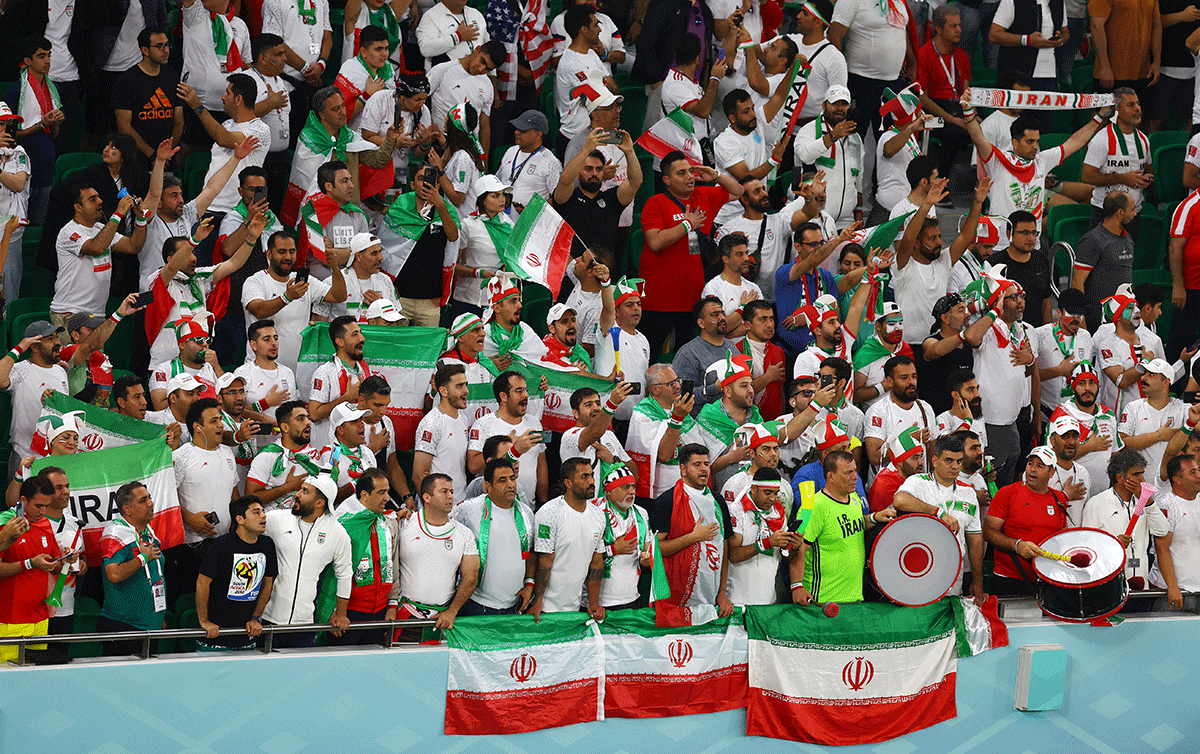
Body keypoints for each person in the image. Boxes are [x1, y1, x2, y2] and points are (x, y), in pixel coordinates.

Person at [960, 91, 1114, 257]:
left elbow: (1075, 142)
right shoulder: (997, 161)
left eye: (1037, 141)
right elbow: (978, 138)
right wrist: (968, 113)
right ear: (1015, 143)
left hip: (1033, 248)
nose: (1035, 146)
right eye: (1030, 141)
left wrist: (1100, 116)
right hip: (1000, 246)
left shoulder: (1042, 161)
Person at [639, 154, 745, 355]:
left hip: (692, 298)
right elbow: (654, 242)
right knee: (650, 354)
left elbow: (738, 191)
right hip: (659, 298)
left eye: (690, 171)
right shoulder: (656, 202)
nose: (689, 176)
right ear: (667, 180)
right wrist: (687, 224)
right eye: (681, 173)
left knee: (684, 354)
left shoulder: (703, 195)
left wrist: (715, 175)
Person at [141, 136, 260, 298]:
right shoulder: (149, 220)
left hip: (182, 292)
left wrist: (236, 158)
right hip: (153, 294)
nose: (181, 200)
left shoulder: (187, 215)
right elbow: (154, 194)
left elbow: (213, 188)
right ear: (160, 204)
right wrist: (160, 162)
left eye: (181, 195)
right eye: (173, 196)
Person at [282, 87, 398, 228]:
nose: (342, 112)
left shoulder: (350, 138)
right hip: (321, 217)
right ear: (322, 115)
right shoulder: (309, 140)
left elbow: (378, 161)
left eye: (343, 106)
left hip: (351, 214)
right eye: (335, 109)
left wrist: (390, 140)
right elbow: (305, 183)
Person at [790, 450, 896, 604]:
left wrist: (874, 517)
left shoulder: (854, 498)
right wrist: (796, 586)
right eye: (848, 473)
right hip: (824, 601)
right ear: (830, 476)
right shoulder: (813, 507)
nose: (855, 477)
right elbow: (798, 548)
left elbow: (855, 524)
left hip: (854, 598)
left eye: (855, 471)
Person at [965, 271, 1038, 486]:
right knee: (991, 484)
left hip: (1011, 423)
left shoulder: (1019, 330)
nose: (1020, 302)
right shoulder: (987, 329)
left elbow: (1026, 372)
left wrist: (1030, 360)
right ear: (998, 300)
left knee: (1008, 483)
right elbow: (970, 337)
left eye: (1021, 296)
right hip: (989, 423)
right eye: (1013, 297)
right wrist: (994, 311)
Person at [263, 475, 353, 647]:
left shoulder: (337, 533)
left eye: (305, 491)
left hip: (304, 623)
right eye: (300, 489)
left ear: (320, 503)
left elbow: (344, 574)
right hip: (268, 618)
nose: (297, 494)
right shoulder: (275, 519)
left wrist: (341, 613)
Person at [895, 435, 986, 601]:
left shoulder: (968, 493)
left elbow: (975, 540)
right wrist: (938, 513)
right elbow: (900, 500)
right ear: (935, 461)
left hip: (953, 580)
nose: (955, 466)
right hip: (918, 576)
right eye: (949, 460)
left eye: (959, 461)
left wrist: (978, 580)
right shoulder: (918, 482)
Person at [243, 231, 348, 372]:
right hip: (261, 369)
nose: (287, 257)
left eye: (292, 252)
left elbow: (338, 296)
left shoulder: (304, 280)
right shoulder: (255, 281)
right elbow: (259, 310)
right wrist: (287, 297)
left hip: (299, 371)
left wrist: (334, 268)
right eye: (281, 252)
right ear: (269, 254)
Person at [651, 444, 736, 619]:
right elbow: (655, 550)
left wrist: (722, 593)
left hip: (711, 595)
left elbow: (725, 546)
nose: (704, 469)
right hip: (676, 597)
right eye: (697, 465)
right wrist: (693, 537)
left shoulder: (718, 500)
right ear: (683, 469)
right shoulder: (666, 502)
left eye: (706, 464)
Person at [50, 186, 148, 335]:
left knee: (97, 359)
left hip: (96, 315)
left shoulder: (100, 228)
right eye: (92, 199)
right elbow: (96, 247)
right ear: (78, 207)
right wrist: (118, 213)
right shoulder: (69, 232)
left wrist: (141, 219)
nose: (100, 201)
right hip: (70, 313)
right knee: (73, 358)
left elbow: (133, 246)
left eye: (98, 197)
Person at [174, 396, 240, 605]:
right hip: (190, 548)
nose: (221, 424)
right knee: (190, 605)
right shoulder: (180, 457)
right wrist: (190, 519)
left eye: (220, 419)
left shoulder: (228, 453)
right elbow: (165, 498)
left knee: (218, 604)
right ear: (197, 427)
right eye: (213, 421)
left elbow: (234, 494)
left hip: (223, 545)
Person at [393, 473, 479, 630]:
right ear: (427, 497)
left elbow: (471, 577)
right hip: (405, 613)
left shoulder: (464, 533)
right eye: (444, 491)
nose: (450, 496)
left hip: (442, 618)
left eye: (452, 492)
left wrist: (452, 612)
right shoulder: (404, 524)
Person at [177, 74, 272, 217]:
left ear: (238, 99)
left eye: (227, 92)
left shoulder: (260, 130)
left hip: (235, 210)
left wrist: (197, 106)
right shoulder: (227, 125)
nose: (222, 97)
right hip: (209, 205)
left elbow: (224, 139)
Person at [378, 164, 460, 326]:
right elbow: (385, 249)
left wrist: (440, 205)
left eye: (430, 181)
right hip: (400, 297)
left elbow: (453, 236)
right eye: (421, 179)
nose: (425, 184)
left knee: (426, 350)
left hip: (430, 300)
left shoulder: (446, 210)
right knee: (398, 348)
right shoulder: (400, 206)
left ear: (438, 186)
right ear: (412, 184)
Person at [453, 458, 536, 615]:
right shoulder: (467, 511)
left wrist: (529, 584)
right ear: (488, 486)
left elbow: (530, 552)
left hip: (514, 605)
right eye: (502, 480)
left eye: (512, 478)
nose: (510, 485)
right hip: (476, 604)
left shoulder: (526, 513)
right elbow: (441, 523)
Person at [325, 468, 399, 643]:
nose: (387, 498)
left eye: (388, 492)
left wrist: (392, 605)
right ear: (364, 495)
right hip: (347, 616)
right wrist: (331, 612)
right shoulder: (342, 525)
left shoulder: (389, 523)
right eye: (381, 492)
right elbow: (328, 573)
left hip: (380, 612)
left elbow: (394, 565)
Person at [0, 477, 69, 662]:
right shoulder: (5, 525)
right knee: (9, 680)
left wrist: (65, 561)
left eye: (47, 505)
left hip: (40, 618)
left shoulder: (45, 524)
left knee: (35, 678)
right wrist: (29, 564)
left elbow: (54, 564)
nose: (44, 511)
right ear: (23, 501)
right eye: (39, 506)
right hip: (10, 620)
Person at [196, 496, 277, 651]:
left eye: (263, 511)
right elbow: (202, 582)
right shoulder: (221, 545)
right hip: (215, 636)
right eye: (256, 512)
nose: (263, 515)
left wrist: (255, 617)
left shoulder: (267, 545)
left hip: (246, 637)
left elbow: (267, 583)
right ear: (240, 519)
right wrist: (204, 620)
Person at [529, 458, 607, 621]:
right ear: (568, 483)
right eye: (584, 477)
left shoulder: (598, 515)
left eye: (592, 475)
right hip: (545, 609)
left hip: (575, 607)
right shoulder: (549, 513)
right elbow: (544, 561)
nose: (592, 481)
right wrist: (538, 602)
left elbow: (597, 562)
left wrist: (593, 602)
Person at [984, 446, 1069, 595]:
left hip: (1047, 579)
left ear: (1052, 473)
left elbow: (1062, 535)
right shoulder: (1007, 493)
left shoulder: (1059, 498)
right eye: (1030, 463)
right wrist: (1017, 545)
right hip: (1010, 578)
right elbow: (989, 532)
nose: (1033, 469)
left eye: (1040, 466)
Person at [96, 483, 166, 659]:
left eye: (149, 497)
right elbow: (114, 574)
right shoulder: (116, 534)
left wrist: (158, 616)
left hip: (150, 624)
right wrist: (143, 558)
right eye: (143, 500)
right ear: (127, 508)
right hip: (124, 626)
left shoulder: (148, 532)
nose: (150, 503)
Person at [827, 0, 912, 141]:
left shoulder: (898, 1)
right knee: (853, 137)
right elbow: (834, 35)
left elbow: (902, 30)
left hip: (892, 83)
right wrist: (840, 73)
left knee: (889, 139)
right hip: (860, 81)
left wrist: (912, 63)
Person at [553, 134, 640, 258]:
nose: (594, 174)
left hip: (605, 273)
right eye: (588, 169)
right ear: (577, 174)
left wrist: (630, 152)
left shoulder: (611, 198)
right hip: (573, 271)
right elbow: (565, 180)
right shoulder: (568, 198)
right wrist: (586, 148)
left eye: (599, 169)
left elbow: (635, 182)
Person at [467, 372, 548, 504]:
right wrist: (510, 448)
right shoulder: (483, 424)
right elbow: (473, 466)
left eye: (526, 390)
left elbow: (541, 464)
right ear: (503, 396)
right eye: (519, 391)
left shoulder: (534, 423)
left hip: (527, 507)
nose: (526, 395)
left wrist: (543, 501)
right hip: (493, 509)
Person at [914, 6, 973, 182]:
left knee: (987, 128)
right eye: (953, 26)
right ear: (938, 28)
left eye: (959, 25)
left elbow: (967, 92)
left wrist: (973, 114)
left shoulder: (961, 56)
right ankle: (940, 182)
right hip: (933, 109)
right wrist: (952, 119)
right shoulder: (924, 54)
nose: (959, 30)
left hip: (959, 106)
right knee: (954, 131)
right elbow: (921, 97)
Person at [2, 320, 69, 471]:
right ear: (34, 346)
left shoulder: (60, 371)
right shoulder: (21, 370)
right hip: (25, 456)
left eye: (57, 337)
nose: (58, 342)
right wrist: (19, 348)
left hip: (56, 458)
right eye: (50, 339)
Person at [1081, 448, 1154, 586]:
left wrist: (1149, 503)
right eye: (1136, 474)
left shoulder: (1145, 503)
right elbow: (1087, 548)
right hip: (1110, 586)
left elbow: (1162, 530)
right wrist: (1113, 543)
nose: (1142, 479)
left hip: (1141, 583)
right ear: (1120, 478)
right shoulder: (1096, 504)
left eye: (1142, 473)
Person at [12, 36, 64, 226]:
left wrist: (54, 123)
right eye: (41, 56)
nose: (48, 61)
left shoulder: (53, 89)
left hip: (45, 168)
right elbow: (10, 135)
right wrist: (41, 125)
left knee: (39, 228)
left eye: (49, 55)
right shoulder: (16, 91)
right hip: (21, 170)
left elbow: (54, 135)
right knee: (18, 228)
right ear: (27, 61)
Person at [792, 85, 862, 226]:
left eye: (844, 104)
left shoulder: (855, 138)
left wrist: (858, 214)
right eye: (835, 104)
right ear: (824, 105)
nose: (839, 108)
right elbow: (804, 155)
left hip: (845, 221)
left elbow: (858, 179)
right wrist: (833, 136)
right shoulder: (809, 130)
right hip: (812, 217)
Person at [1081, 90, 1151, 229]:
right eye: (1130, 105)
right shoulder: (1102, 139)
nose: (1137, 108)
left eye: (1138, 104)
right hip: (1105, 214)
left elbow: (1148, 168)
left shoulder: (1143, 139)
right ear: (1117, 109)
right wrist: (1122, 178)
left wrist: (1147, 178)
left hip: (1134, 213)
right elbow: (1087, 176)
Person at [726, 468, 797, 606]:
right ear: (754, 488)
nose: (772, 498)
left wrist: (794, 546)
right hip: (737, 602)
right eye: (767, 492)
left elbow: (786, 556)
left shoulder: (778, 513)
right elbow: (733, 555)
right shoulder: (736, 510)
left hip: (769, 601)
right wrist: (767, 543)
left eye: (776, 493)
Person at [113, 28, 183, 166]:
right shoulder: (127, 80)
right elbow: (124, 126)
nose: (166, 50)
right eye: (159, 46)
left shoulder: (172, 77)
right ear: (145, 51)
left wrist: (167, 153)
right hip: (137, 160)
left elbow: (179, 121)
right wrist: (152, 154)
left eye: (167, 45)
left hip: (167, 159)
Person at [626, 365, 695, 499]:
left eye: (677, 381)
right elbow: (663, 455)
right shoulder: (642, 414)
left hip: (688, 486)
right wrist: (677, 418)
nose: (677, 386)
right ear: (655, 389)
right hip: (660, 492)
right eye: (671, 383)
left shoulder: (681, 407)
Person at [1073, 192, 1138, 333]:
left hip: (1123, 319)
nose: (1135, 214)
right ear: (1120, 213)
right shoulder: (1093, 241)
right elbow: (1077, 282)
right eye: (1132, 209)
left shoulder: (1127, 238)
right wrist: (1081, 320)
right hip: (1098, 321)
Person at [1048, 361, 1119, 487]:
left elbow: (1115, 454)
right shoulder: (1061, 415)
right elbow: (1051, 457)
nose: (1087, 388)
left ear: (1098, 386)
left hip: (1101, 494)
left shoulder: (1108, 415)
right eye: (1081, 383)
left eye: (1092, 383)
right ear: (1073, 387)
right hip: (1069, 492)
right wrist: (1089, 446)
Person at [1118, 358, 1189, 483]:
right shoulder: (1133, 408)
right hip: (1140, 485)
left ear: (1166, 382)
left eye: (1151, 374)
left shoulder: (1182, 409)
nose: (1143, 378)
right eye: (1144, 373)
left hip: (1173, 488)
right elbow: (1122, 444)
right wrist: (1159, 435)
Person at [307, 316, 373, 448]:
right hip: (329, 450)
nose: (362, 339)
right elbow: (314, 414)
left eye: (360, 333)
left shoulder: (364, 369)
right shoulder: (324, 372)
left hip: (357, 447)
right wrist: (347, 398)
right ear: (340, 342)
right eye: (355, 334)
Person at [594, 461, 652, 610]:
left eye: (633, 486)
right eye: (625, 487)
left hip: (632, 598)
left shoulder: (641, 513)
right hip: (599, 601)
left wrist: (646, 559)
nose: (632, 491)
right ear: (609, 491)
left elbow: (646, 549)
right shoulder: (594, 511)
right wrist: (613, 549)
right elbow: (580, 554)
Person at [297, 161, 370, 278]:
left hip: (354, 274)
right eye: (344, 181)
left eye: (350, 180)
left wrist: (337, 252)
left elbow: (368, 254)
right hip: (322, 277)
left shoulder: (358, 214)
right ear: (329, 186)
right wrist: (357, 251)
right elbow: (325, 258)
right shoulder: (312, 212)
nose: (351, 185)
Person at [863, 355, 937, 471]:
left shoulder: (925, 408)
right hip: (889, 486)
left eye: (913, 377)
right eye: (904, 378)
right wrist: (910, 439)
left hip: (920, 484)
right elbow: (875, 457)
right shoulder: (878, 411)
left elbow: (933, 454)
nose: (911, 382)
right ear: (890, 381)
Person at [593, 278, 651, 423]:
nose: (636, 308)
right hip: (608, 417)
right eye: (629, 305)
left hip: (636, 419)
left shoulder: (644, 340)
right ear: (616, 311)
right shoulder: (609, 332)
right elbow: (607, 308)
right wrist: (606, 282)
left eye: (638, 304)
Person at [247, 34, 295, 208]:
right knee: (259, 206)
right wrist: (270, 103)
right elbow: (241, 116)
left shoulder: (280, 80)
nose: (285, 58)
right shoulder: (248, 80)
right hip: (260, 160)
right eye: (279, 54)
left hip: (280, 158)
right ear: (263, 58)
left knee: (275, 209)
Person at [180, 0, 251, 115]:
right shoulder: (195, 16)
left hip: (232, 109)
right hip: (197, 106)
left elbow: (246, 66)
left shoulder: (240, 24)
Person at [426, 44, 500, 153]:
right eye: (482, 61)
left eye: (488, 69)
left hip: (470, 148)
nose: (481, 68)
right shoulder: (442, 70)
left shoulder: (487, 84)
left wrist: (483, 162)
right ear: (477, 49)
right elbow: (419, 100)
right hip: (440, 145)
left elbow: (484, 126)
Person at [1148, 454, 1200, 609]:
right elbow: (1161, 548)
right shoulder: (1167, 504)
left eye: (1198, 470)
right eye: (1193, 472)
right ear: (1177, 479)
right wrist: (1172, 587)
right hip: (1175, 591)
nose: (1199, 475)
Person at [247, 401, 320, 510]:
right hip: (273, 523)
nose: (308, 422)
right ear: (285, 427)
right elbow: (250, 498)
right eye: (300, 419)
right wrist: (287, 488)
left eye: (308, 418)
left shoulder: (313, 453)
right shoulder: (267, 455)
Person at [1033, 288, 1093, 419]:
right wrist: (1059, 370)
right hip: (1046, 413)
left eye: (1079, 314)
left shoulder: (1086, 337)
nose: (1076, 319)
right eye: (1071, 313)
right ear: (1059, 312)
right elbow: (1029, 377)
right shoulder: (1039, 335)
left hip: (1076, 414)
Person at [235, 320, 299, 437]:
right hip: (254, 443)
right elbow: (233, 411)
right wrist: (266, 403)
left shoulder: (287, 372)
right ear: (253, 345)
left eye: (275, 338)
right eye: (267, 339)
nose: (273, 343)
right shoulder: (242, 373)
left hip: (284, 443)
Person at [1095, 287, 1156, 412]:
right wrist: (1144, 363)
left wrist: (1181, 362)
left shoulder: (1150, 341)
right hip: (1119, 417)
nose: (1137, 311)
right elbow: (1121, 381)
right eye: (1130, 308)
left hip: (1148, 413)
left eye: (1137, 306)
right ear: (1117, 317)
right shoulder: (1107, 345)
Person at [988, 0, 1067, 95]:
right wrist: (1027, 40)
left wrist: (1061, 40)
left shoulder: (1058, 3)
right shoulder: (1012, 1)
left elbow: (1065, 31)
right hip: (1017, 75)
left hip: (1050, 75)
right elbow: (994, 35)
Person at [672, 296, 736, 412]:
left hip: (735, 419)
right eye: (715, 315)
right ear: (701, 323)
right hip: (703, 424)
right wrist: (714, 388)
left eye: (722, 313)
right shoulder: (688, 353)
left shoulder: (732, 346)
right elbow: (681, 395)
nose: (722, 318)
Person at [1089, 0, 1161, 101]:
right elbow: (1096, 26)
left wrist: (1156, 62)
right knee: (1105, 114)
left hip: (1142, 71)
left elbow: (1157, 26)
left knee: (1138, 114)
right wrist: (1104, 66)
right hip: (1112, 73)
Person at [495, 111, 562, 215]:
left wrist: (534, 209)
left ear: (538, 134)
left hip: (529, 224)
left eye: (523, 130)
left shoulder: (550, 162)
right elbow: (497, 181)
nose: (516, 132)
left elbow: (558, 199)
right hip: (501, 221)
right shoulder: (510, 151)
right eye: (516, 128)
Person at [148, 317, 222, 409]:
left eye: (208, 340)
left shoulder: (211, 367)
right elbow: (160, 406)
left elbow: (227, 396)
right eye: (198, 340)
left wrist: (216, 366)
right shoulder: (165, 369)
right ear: (182, 344)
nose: (204, 344)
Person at [333, 25, 396, 131]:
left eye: (386, 48)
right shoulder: (351, 69)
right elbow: (339, 116)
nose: (384, 54)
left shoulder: (387, 68)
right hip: (356, 137)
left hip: (384, 134)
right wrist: (366, 96)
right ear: (363, 52)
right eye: (378, 49)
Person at [852, 303, 913, 410]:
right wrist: (885, 386)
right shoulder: (864, 355)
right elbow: (855, 396)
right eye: (892, 324)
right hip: (875, 416)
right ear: (878, 326)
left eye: (900, 323)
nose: (898, 328)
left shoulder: (906, 350)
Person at [262, 0, 333, 89]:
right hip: (286, 82)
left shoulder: (322, 1)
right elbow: (273, 42)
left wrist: (321, 64)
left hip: (317, 77)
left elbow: (327, 38)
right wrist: (306, 69)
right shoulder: (275, 1)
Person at [734, 300, 787, 420]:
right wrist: (768, 377)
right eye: (763, 319)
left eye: (772, 319)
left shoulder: (778, 351)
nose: (769, 324)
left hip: (775, 420)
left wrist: (781, 419)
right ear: (747, 325)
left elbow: (780, 390)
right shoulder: (737, 350)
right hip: (746, 421)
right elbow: (738, 394)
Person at [560, 385, 636, 468]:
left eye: (598, 403)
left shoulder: (609, 435)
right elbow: (594, 433)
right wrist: (612, 404)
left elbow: (634, 474)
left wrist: (613, 460)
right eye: (588, 405)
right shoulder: (570, 435)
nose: (596, 408)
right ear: (576, 413)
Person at [561, 249, 616, 357]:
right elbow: (567, 259)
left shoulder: (596, 309)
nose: (576, 260)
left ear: (591, 271)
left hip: (575, 363)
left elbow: (589, 350)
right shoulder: (581, 282)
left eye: (582, 259)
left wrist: (560, 353)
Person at [0, 105, 29, 304]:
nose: (6, 129)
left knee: (8, 293)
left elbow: (18, 184)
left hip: (9, 230)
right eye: (2, 124)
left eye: (10, 124)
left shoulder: (20, 153)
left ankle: (9, 334)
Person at [1169, 185, 1200, 363]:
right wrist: (1178, 287)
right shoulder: (1188, 207)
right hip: (1191, 287)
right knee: (1181, 340)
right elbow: (1175, 248)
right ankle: (1173, 385)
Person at [1043, 414, 1093, 524]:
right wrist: (1065, 496)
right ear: (1052, 440)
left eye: (1075, 437)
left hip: (1077, 538)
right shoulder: (1040, 471)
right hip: (1048, 538)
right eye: (1065, 436)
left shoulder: (1083, 472)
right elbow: (1029, 507)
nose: (1071, 442)